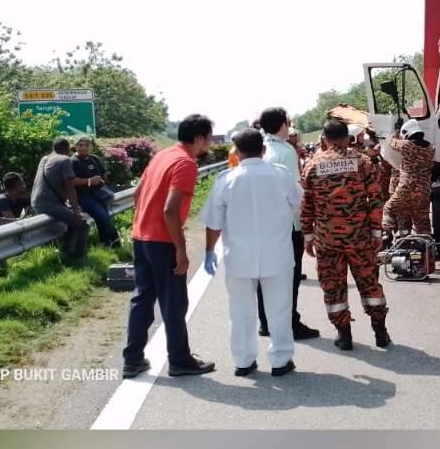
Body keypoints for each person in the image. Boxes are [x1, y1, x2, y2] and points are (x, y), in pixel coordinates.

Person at [201, 129, 303, 376]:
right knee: (279, 308)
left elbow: (214, 223)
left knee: (240, 311)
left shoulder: (226, 179)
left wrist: (208, 252)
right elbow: (299, 205)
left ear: (236, 152)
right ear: (264, 149)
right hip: (277, 254)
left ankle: (244, 361)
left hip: (238, 256)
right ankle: (280, 361)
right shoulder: (281, 175)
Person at [121, 114, 216, 379]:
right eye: (208, 139)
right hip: (163, 242)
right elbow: (170, 211)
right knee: (174, 303)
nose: (209, 144)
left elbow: (136, 194)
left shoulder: (162, 155)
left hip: (141, 237)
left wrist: (143, 224)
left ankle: (133, 360)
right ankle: (179, 360)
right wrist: (181, 250)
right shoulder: (186, 163)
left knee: (142, 299)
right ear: (198, 139)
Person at [301, 119, 390, 351]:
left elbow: (307, 204)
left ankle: (344, 335)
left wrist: (308, 236)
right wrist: (376, 230)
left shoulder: (312, 164)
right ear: (346, 138)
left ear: (324, 139)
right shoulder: (362, 162)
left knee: (333, 286)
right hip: (360, 237)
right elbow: (376, 198)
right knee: (370, 282)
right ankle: (380, 331)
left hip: (327, 240)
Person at [257, 107, 320, 340]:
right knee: (290, 278)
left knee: (265, 277)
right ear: (282, 125)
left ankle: (265, 322)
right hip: (286, 226)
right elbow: (295, 193)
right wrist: (303, 227)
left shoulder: (260, 148)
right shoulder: (286, 152)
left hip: (263, 225)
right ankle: (290, 322)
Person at [31, 137, 89, 262]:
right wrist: (76, 210)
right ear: (67, 149)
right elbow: (70, 187)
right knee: (82, 224)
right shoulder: (65, 160)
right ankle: (74, 258)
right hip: (50, 204)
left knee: (71, 223)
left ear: (53, 147)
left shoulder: (45, 158)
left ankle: (66, 251)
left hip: (36, 202)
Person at [382, 119, 435, 240]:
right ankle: (427, 246)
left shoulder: (407, 146)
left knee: (388, 209)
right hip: (423, 192)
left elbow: (391, 142)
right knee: (422, 221)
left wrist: (396, 131)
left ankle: (387, 235)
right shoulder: (431, 149)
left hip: (405, 189)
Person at [71, 136, 121, 247]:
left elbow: (103, 172)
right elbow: (70, 181)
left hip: (98, 193)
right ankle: (108, 243)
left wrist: (103, 181)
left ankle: (112, 245)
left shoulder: (94, 158)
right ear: (75, 147)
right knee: (102, 216)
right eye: (80, 145)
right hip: (83, 196)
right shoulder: (73, 162)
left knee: (107, 217)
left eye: (86, 145)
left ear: (91, 147)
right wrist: (88, 181)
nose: (83, 147)